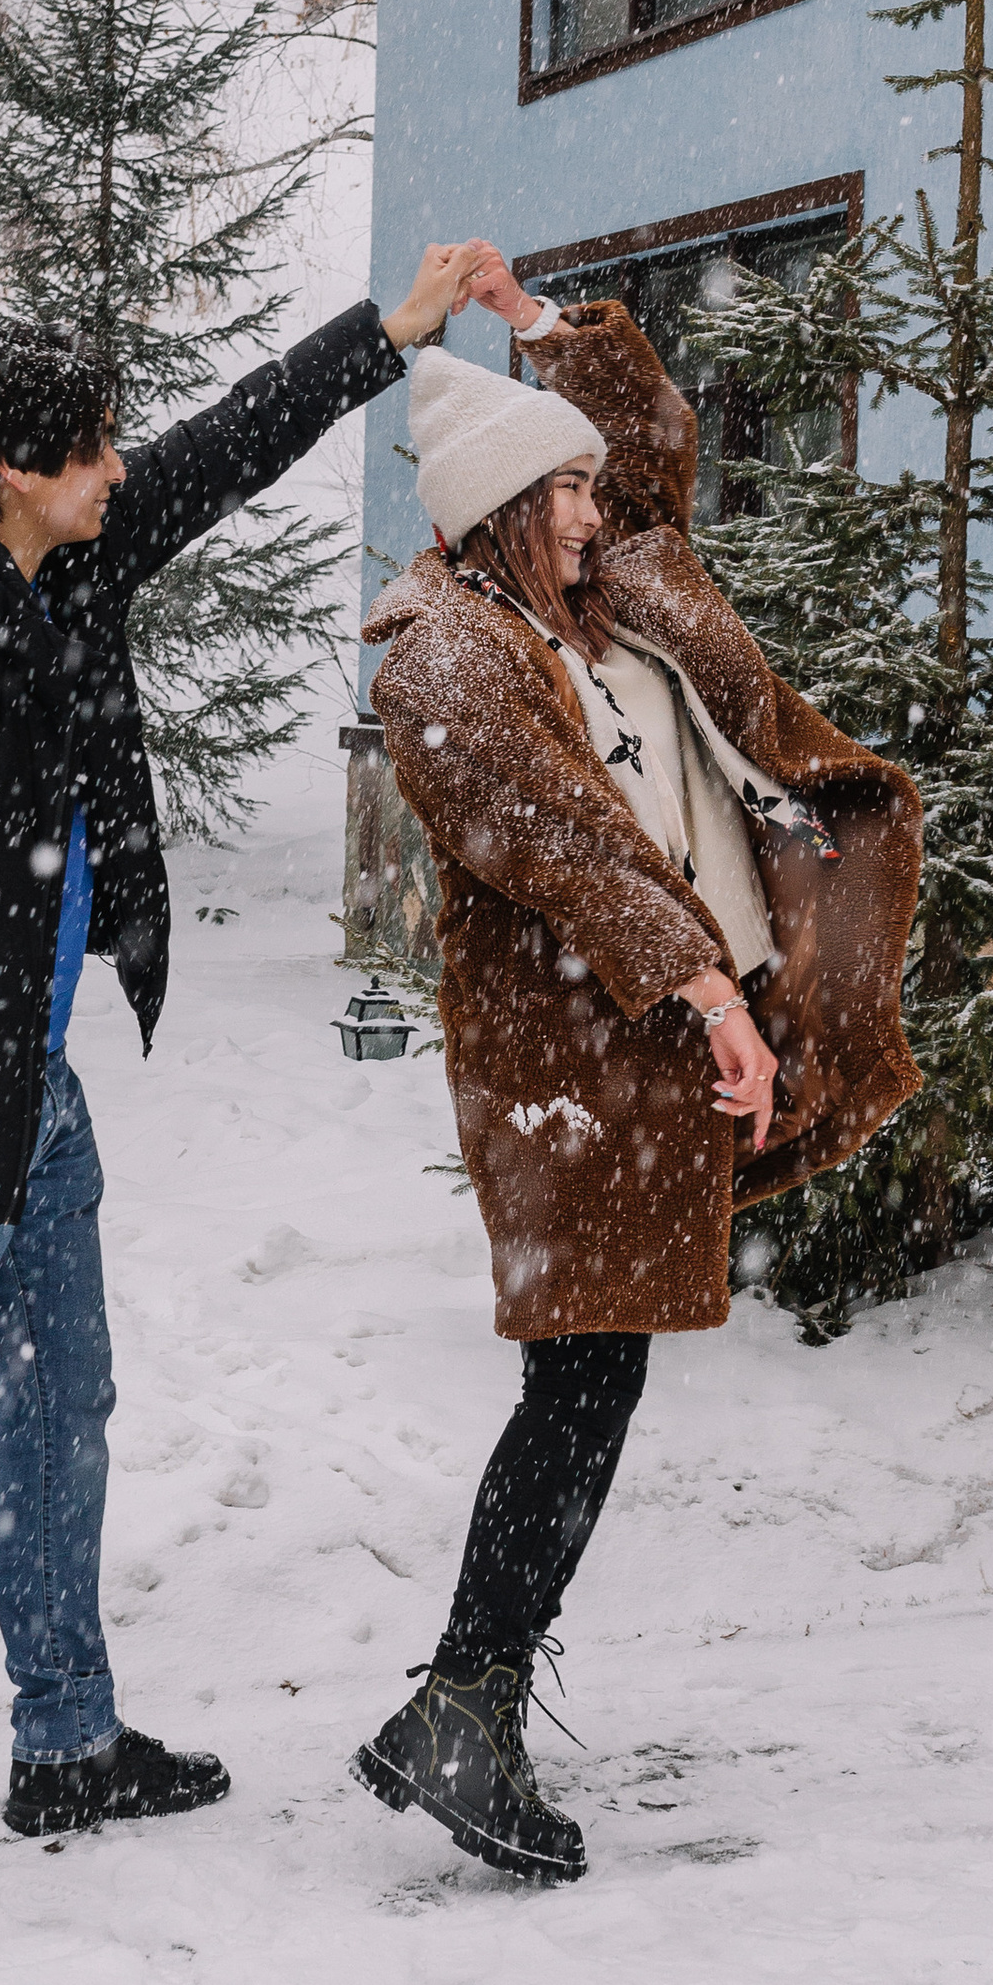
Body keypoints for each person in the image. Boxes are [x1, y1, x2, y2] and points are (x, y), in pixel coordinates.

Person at [0, 246, 490, 1914]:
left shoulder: (56, 566)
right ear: (15, 472)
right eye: (91, 448)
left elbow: (229, 445)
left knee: (64, 1412)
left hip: (31, 1092)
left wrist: (389, 334)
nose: (121, 468)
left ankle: (66, 1743)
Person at [351, 266, 922, 1884]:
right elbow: (559, 850)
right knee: (582, 1383)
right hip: (572, 1071)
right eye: (575, 492)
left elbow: (648, 445)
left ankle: (468, 1696)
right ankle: (465, 1699)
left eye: (598, 487)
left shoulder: (606, 601)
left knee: (593, 1383)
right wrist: (706, 995)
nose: (605, 507)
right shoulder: (442, 659)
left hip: (650, 1053)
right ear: (509, 508)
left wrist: (544, 324)